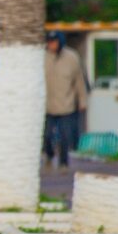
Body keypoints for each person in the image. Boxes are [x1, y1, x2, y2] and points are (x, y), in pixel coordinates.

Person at [44, 30, 88, 170]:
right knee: (47, 135)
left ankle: (63, 163)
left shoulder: (72, 57)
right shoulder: (43, 57)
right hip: (47, 106)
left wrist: (82, 100)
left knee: (65, 136)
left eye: (54, 42)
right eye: (49, 42)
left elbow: (79, 81)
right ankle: (49, 156)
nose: (51, 45)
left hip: (66, 105)